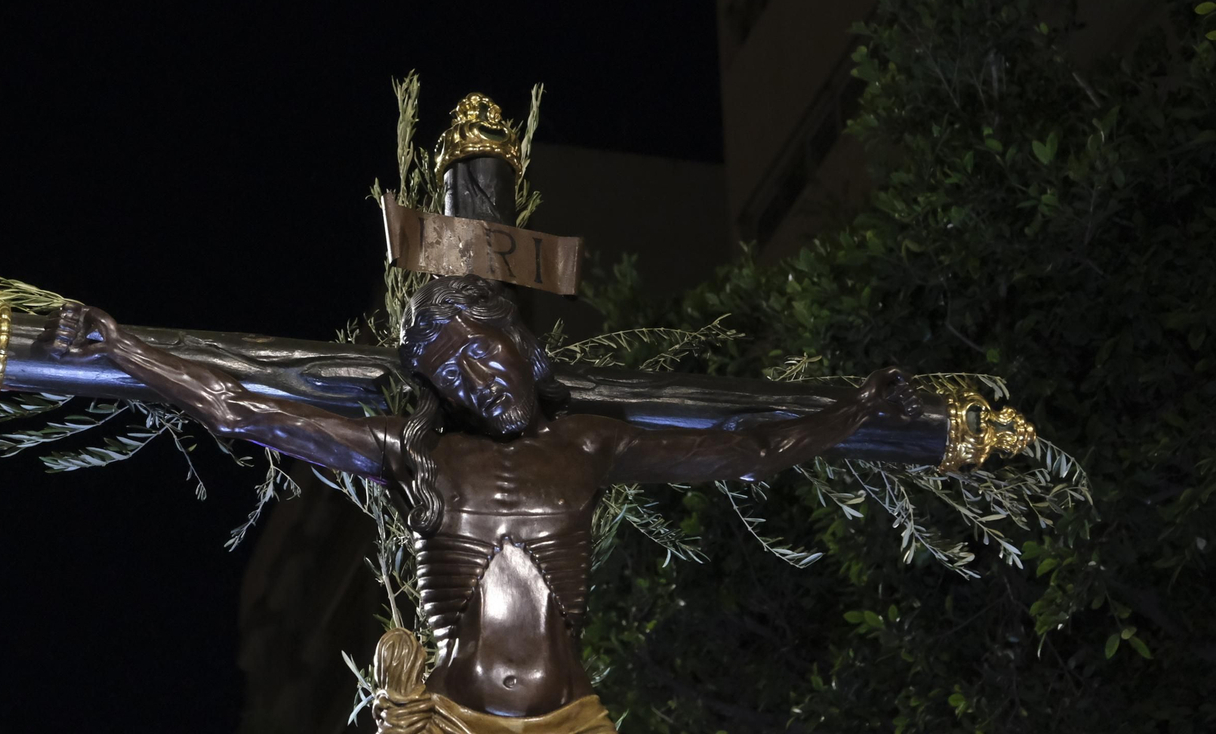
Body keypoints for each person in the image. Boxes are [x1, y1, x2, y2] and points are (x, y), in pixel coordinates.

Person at [45, 274, 920, 734]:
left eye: (480, 353)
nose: (474, 379)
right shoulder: (418, 452)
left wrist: (857, 410)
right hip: (454, 722)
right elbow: (242, 410)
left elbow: (752, 450)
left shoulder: (590, 445)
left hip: (573, 720)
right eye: (451, 374)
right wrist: (123, 348)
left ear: (519, 344)